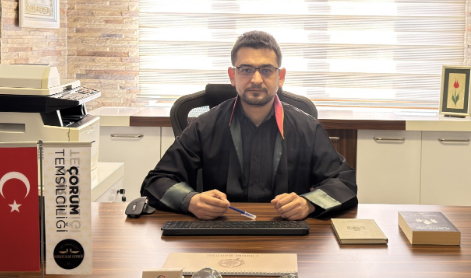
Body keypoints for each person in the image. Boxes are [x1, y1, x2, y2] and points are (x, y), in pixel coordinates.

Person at [141, 31, 357, 220]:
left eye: (266, 70)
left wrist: (309, 203)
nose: (256, 79)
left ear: (280, 76)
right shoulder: (205, 125)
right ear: (232, 75)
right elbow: (156, 181)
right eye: (245, 69)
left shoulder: (307, 128)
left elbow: (344, 183)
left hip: (289, 234)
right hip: (218, 232)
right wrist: (191, 201)